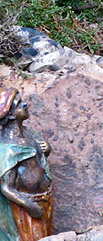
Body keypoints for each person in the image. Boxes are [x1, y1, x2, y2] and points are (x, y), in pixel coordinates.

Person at [0, 88, 52, 241]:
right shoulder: (8, 148)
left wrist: (47, 149)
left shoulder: (29, 133)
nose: (25, 104)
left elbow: (38, 156)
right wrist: (29, 205)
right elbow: (6, 187)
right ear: (10, 115)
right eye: (19, 104)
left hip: (44, 199)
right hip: (26, 208)